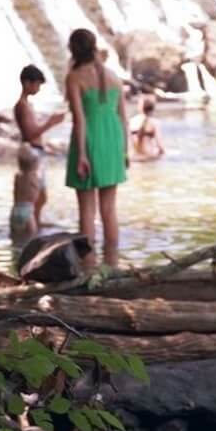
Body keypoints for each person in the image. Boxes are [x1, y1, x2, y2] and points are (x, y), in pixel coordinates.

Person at [65, 28, 128, 267]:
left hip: (89, 140)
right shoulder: (114, 77)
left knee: (87, 211)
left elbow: (79, 120)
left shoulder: (75, 77)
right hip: (113, 141)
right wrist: (125, 151)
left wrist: (82, 154)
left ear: (73, 50)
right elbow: (123, 117)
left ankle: (88, 268)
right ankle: (113, 265)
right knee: (109, 209)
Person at [13, 65, 64, 229]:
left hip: (36, 151)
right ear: (27, 83)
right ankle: (31, 225)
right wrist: (51, 122)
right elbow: (30, 133)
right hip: (33, 153)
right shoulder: (22, 105)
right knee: (33, 193)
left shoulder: (26, 104)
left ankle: (36, 222)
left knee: (40, 194)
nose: (38, 88)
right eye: (37, 84)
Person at [10, 144, 43, 242]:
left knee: (14, 237)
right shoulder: (34, 178)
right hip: (27, 211)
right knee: (32, 237)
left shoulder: (17, 177)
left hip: (15, 210)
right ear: (35, 165)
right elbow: (37, 194)